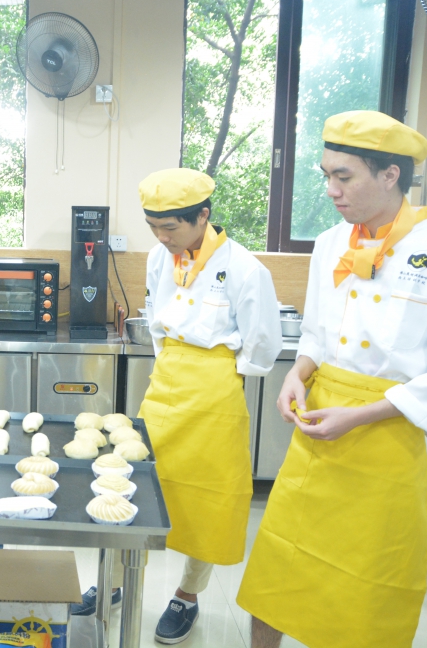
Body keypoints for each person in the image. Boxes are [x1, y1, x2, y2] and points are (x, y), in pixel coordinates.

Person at [237, 111, 427, 648]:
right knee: (277, 572)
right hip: (318, 436)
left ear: (390, 175)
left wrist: (361, 415)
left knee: (367, 593)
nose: (331, 189)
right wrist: (297, 373)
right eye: (327, 174)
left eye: (343, 176)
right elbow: (317, 333)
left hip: (387, 439)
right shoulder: (332, 243)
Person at [137, 168, 282, 644]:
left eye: (170, 227)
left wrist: (218, 371)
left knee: (208, 500)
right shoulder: (159, 258)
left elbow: (263, 346)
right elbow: (156, 322)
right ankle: (119, 578)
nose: (162, 238)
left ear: (203, 216)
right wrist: (174, 363)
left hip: (216, 386)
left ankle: (187, 594)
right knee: (140, 485)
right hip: (166, 382)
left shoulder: (244, 268)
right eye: (153, 227)